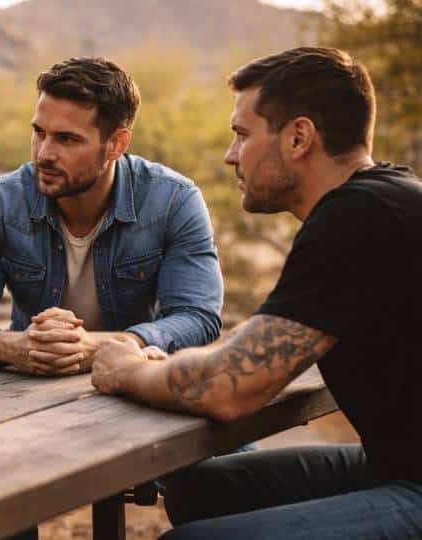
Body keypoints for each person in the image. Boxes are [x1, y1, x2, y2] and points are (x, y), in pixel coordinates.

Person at [91, 47, 422, 539]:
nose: (230, 155)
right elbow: (256, 348)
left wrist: (127, 370)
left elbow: (226, 389)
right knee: (203, 490)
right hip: (397, 463)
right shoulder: (386, 196)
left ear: (298, 138)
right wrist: (178, 368)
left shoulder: (356, 218)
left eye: (242, 135)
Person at [0, 56, 223, 375]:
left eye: (67, 139)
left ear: (116, 144)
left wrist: (100, 347)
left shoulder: (173, 201)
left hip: (134, 384)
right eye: (39, 132)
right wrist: (12, 347)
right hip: (24, 388)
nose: (44, 153)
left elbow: (198, 316)